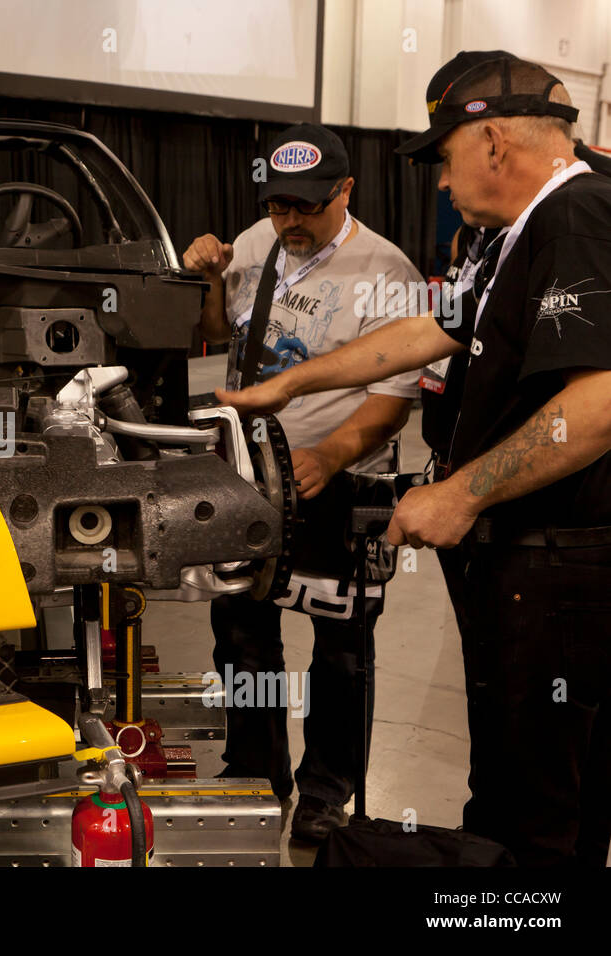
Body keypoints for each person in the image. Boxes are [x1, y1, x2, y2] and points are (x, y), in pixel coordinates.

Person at [216, 53, 611, 866]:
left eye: (444, 155)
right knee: (505, 785)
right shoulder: (509, 238)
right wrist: (284, 386)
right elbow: (429, 330)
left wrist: (461, 494)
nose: (440, 181)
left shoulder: (579, 216)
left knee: (542, 810)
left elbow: (600, 403)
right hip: (517, 570)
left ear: (493, 140)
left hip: (561, 570)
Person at [182, 123, 422, 842]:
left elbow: (395, 394)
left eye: (305, 208)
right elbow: (213, 332)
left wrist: (333, 455)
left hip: (338, 483)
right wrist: (206, 279)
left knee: (342, 648)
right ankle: (256, 769)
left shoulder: (388, 270)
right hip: (250, 476)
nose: (289, 221)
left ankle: (325, 792)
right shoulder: (255, 243)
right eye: (279, 204)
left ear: (345, 191)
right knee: (242, 630)